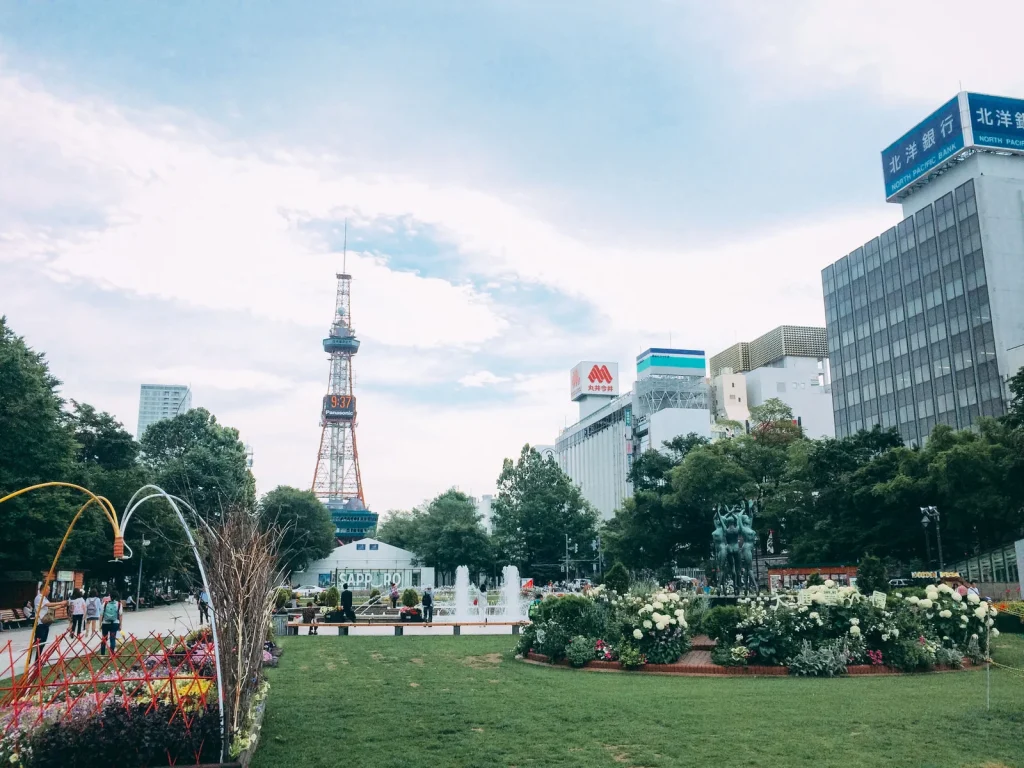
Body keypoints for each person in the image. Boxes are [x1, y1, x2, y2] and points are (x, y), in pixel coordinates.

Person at [32, 585, 52, 665]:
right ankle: (34, 660)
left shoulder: (44, 598)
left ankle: (38, 660)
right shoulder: (39, 598)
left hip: (45, 623)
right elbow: (48, 605)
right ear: (44, 589)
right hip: (40, 624)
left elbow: (51, 606)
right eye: (48, 590)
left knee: (42, 643)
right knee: (38, 643)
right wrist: (61, 602)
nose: (49, 591)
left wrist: (61, 605)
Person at [100, 591, 122, 656]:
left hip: (105, 623)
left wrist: (100, 624)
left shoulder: (105, 604)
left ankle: (102, 654)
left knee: (104, 638)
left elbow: (101, 614)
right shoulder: (119, 604)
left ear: (110, 596)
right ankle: (111, 654)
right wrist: (120, 625)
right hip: (114, 623)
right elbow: (120, 615)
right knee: (112, 639)